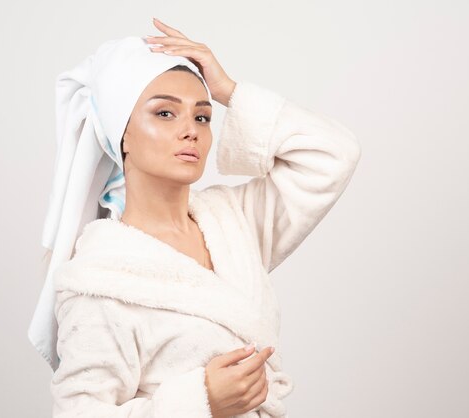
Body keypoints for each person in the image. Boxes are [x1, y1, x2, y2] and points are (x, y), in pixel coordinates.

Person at [31, 18, 361, 418]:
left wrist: (229, 92)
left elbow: (334, 155)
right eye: (165, 114)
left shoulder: (233, 222)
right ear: (123, 135)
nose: (190, 130)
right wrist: (199, 402)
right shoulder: (100, 280)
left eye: (202, 117)